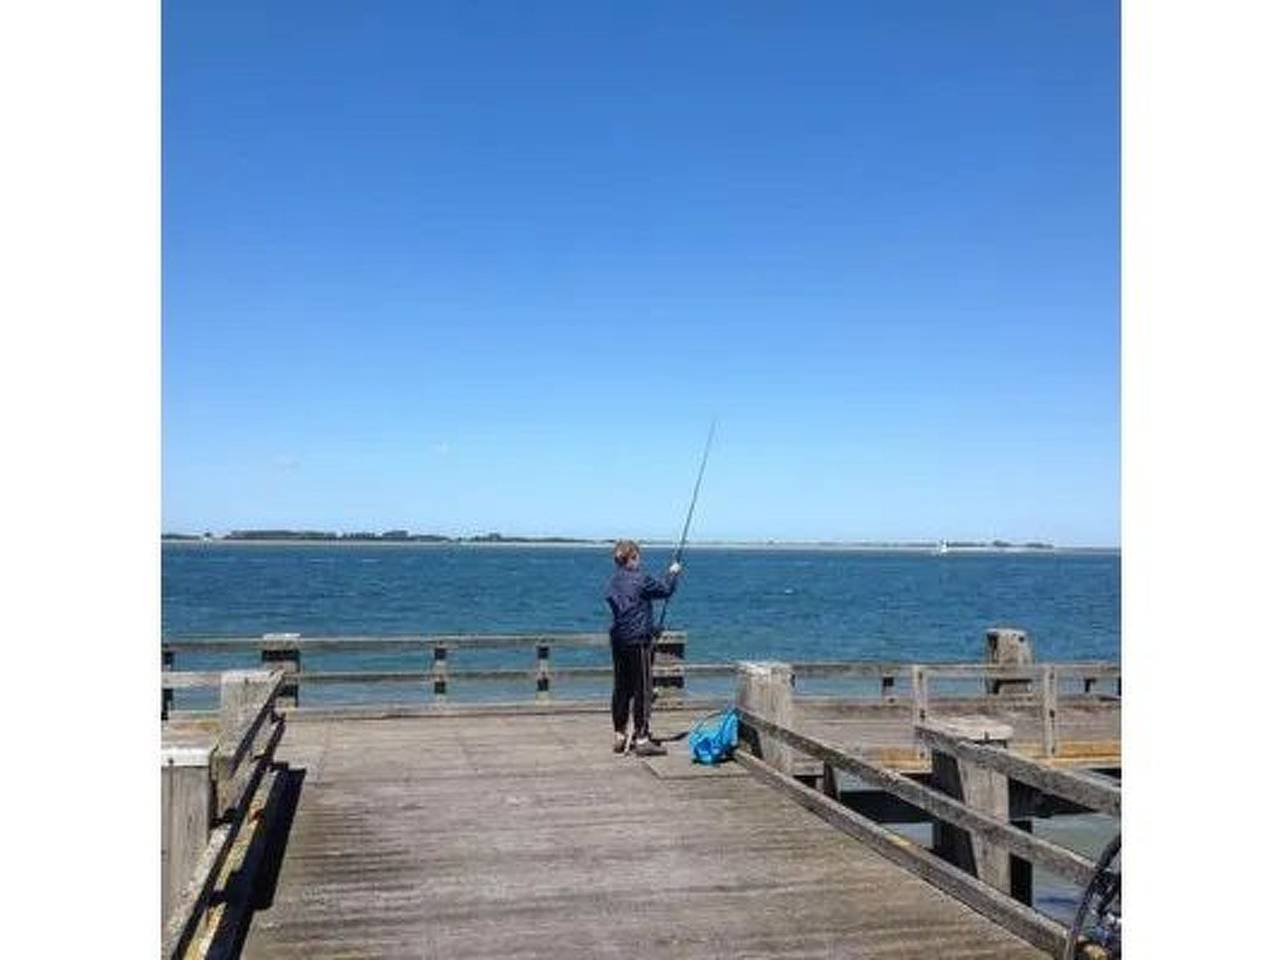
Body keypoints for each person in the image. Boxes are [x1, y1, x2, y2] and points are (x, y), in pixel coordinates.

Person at [605, 539, 681, 756]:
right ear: (632, 557)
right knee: (643, 689)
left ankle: (620, 734)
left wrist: (650, 627)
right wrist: (673, 572)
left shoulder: (612, 582)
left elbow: (628, 610)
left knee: (621, 687)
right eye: (637, 557)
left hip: (619, 639)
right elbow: (665, 590)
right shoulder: (640, 578)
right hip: (638, 641)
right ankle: (642, 737)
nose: (639, 561)